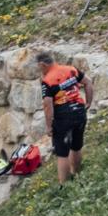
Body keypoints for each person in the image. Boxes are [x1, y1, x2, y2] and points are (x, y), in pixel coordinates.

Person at [38, 51, 95, 184]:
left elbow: (48, 104)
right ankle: (77, 174)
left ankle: (65, 185)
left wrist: (49, 126)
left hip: (63, 116)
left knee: (62, 153)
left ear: (42, 64)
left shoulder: (47, 80)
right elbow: (88, 82)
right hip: (79, 111)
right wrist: (88, 102)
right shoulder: (71, 69)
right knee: (76, 146)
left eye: (38, 67)